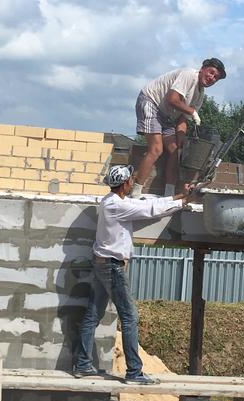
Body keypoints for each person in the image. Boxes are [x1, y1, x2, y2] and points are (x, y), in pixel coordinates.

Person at [75, 164, 193, 382]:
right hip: (111, 266)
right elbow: (149, 210)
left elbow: (146, 203)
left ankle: (82, 365)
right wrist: (183, 202)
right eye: (130, 180)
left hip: (102, 263)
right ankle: (134, 372)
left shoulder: (112, 201)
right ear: (125, 184)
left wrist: (180, 196)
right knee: (129, 317)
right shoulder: (117, 206)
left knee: (92, 315)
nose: (132, 182)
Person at [132, 57, 226, 197]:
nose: (212, 78)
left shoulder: (200, 95)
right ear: (202, 69)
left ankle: (168, 194)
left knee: (175, 151)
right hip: (151, 102)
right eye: (211, 72)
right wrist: (192, 111)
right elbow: (172, 99)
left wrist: (181, 139)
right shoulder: (189, 75)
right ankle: (135, 191)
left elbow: (182, 118)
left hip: (166, 114)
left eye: (216, 78)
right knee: (156, 149)